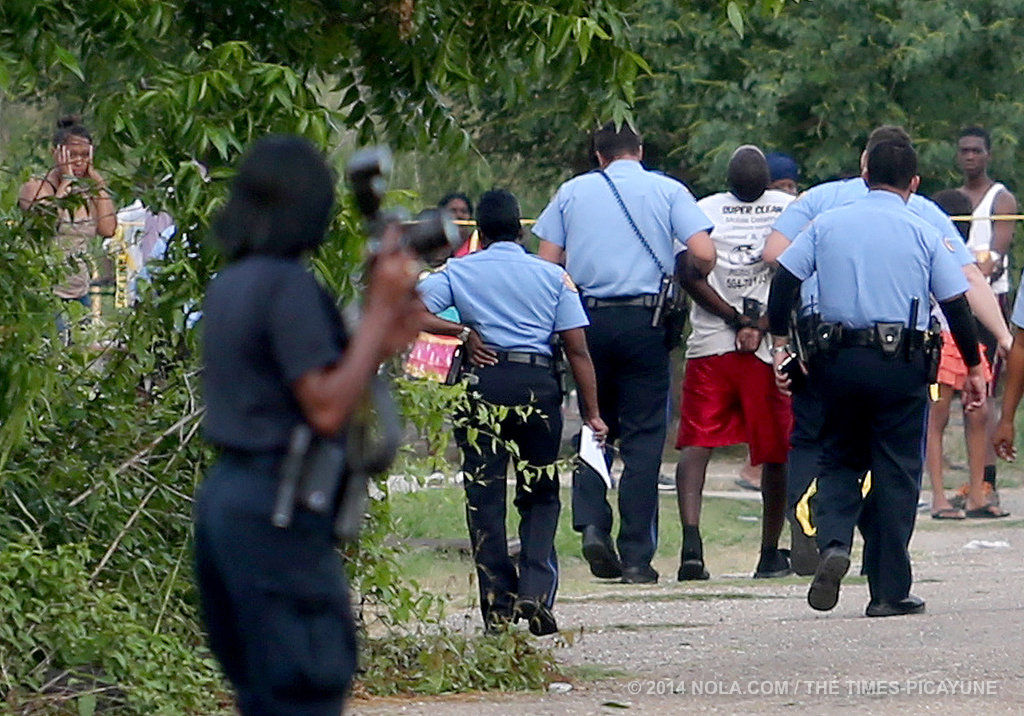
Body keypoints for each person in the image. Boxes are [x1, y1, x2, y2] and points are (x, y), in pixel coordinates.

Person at [194, 135, 421, 715]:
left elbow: (346, 368)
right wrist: (375, 312)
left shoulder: (232, 284)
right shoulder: (285, 283)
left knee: (263, 692)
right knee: (303, 685)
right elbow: (325, 404)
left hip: (228, 503)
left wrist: (382, 322)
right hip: (277, 509)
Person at [761, 125, 1012, 576]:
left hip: (831, 355)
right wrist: (981, 358)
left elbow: (781, 269)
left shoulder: (824, 216)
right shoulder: (922, 222)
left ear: (864, 170)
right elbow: (959, 295)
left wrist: (780, 346)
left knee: (834, 452)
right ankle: (888, 587)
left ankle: (830, 538)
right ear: (913, 182)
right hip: (902, 362)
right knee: (895, 468)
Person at [417, 189, 607, 635]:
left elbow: (408, 310)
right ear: (521, 230)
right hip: (537, 386)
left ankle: (497, 608)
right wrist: (593, 413)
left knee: (484, 496)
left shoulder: (457, 270)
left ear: (478, 233)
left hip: (481, 386)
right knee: (540, 492)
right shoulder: (553, 276)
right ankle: (536, 593)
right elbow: (577, 350)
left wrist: (462, 331)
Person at [534, 121, 715, 584]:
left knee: (595, 424)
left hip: (587, 322)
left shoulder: (571, 193)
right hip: (645, 323)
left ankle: (594, 523)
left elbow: (546, 265)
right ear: (640, 149)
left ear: (598, 156)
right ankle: (637, 557)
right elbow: (705, 252)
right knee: (644, 438)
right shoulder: (668, 190)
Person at [675, 145, 795, 580]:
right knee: (774, 450)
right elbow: (797, 273)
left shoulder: (702, 210)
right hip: (767, 349)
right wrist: (760, 324)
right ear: (767, 181)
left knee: (697, 443)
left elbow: (687, 274)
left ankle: (692, 548)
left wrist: (732, 318)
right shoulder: (788, 208)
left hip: (712, 342)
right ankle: (769, 552)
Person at [953, 125, 1019, 513]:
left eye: (976, 150)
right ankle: (973, 478)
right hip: (955, 302)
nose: (970, 157)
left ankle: (988, 482)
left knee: (987, 391)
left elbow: (997, 252)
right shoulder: (953, 199)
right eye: (964, 151)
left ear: (988, 154)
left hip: (990, 301)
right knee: (962, 394)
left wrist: (976, 273)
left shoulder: (1001, 198)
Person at [925, 189, 1001, 520]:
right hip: (941, 339)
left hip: (967, 340)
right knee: (937, 418)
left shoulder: (967, 255)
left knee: (979, 413)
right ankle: (938, 496)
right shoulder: (933, 250)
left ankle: (976, 491)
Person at [19, 115, 117, 333]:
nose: (79, 162)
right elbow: (45, 223)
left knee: (81, 350)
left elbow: (108, 228)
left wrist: (98, 183)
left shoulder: (86, 193)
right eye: (72, 156)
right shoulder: (36, 187)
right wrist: (65, 183)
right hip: (46, 291)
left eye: (84, 155)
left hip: (79, 291)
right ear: (57, 154)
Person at [439, 192, 479, 257]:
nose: (459, 215)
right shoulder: (433, 248)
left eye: (464, 211)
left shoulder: (477, 247)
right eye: (453, 211)